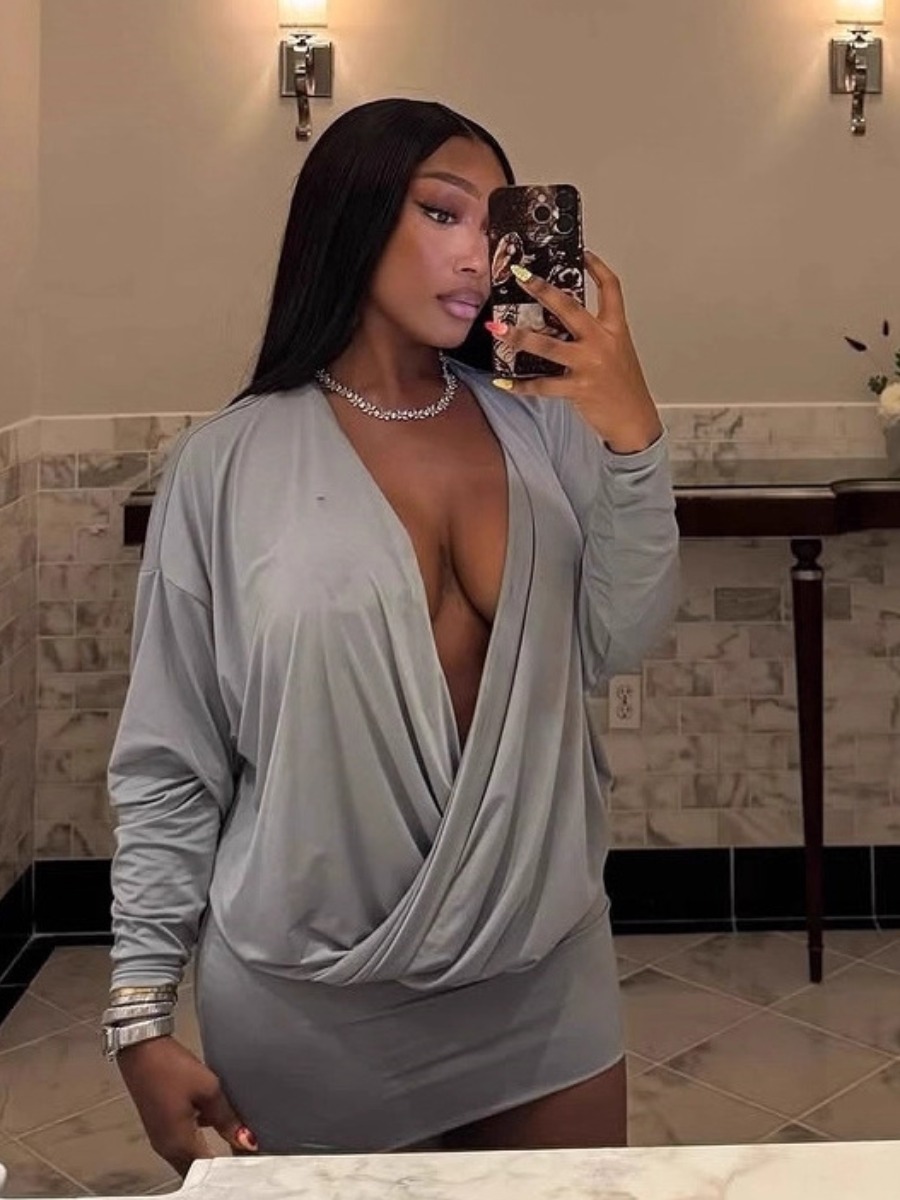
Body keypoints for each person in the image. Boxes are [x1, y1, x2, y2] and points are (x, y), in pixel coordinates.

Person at [105, 97, 678, 1175]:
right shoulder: (223, 468)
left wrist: (633, 438)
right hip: (311, 1004)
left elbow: (618, 638)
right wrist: (139, 1012)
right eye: (442, 212)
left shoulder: (544, 430)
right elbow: (170, 760)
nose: (477, 254)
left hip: (543, 978)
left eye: (495, 223)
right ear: (351, 218)